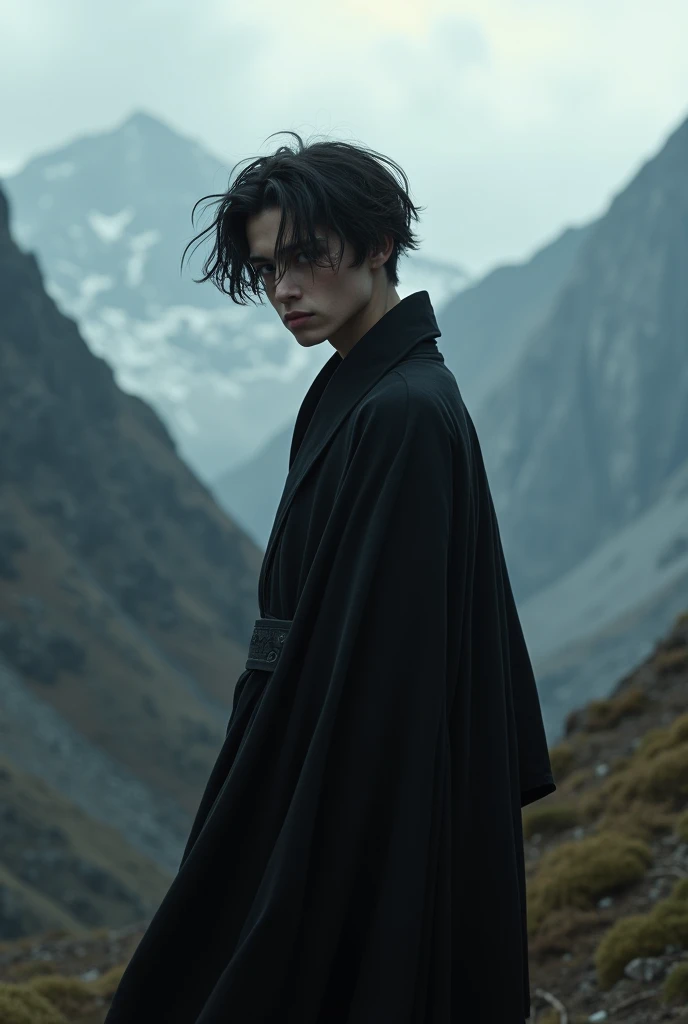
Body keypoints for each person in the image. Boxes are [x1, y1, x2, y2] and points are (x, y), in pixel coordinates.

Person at [105, 130, 556, 1023]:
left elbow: (398, 660)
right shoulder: (363, 387)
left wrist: (315, 812)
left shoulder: (406, 412)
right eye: (270, 268)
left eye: (305, 259)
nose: (283, 290)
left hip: (347, 758)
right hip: (306, 727)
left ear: (379, 244)